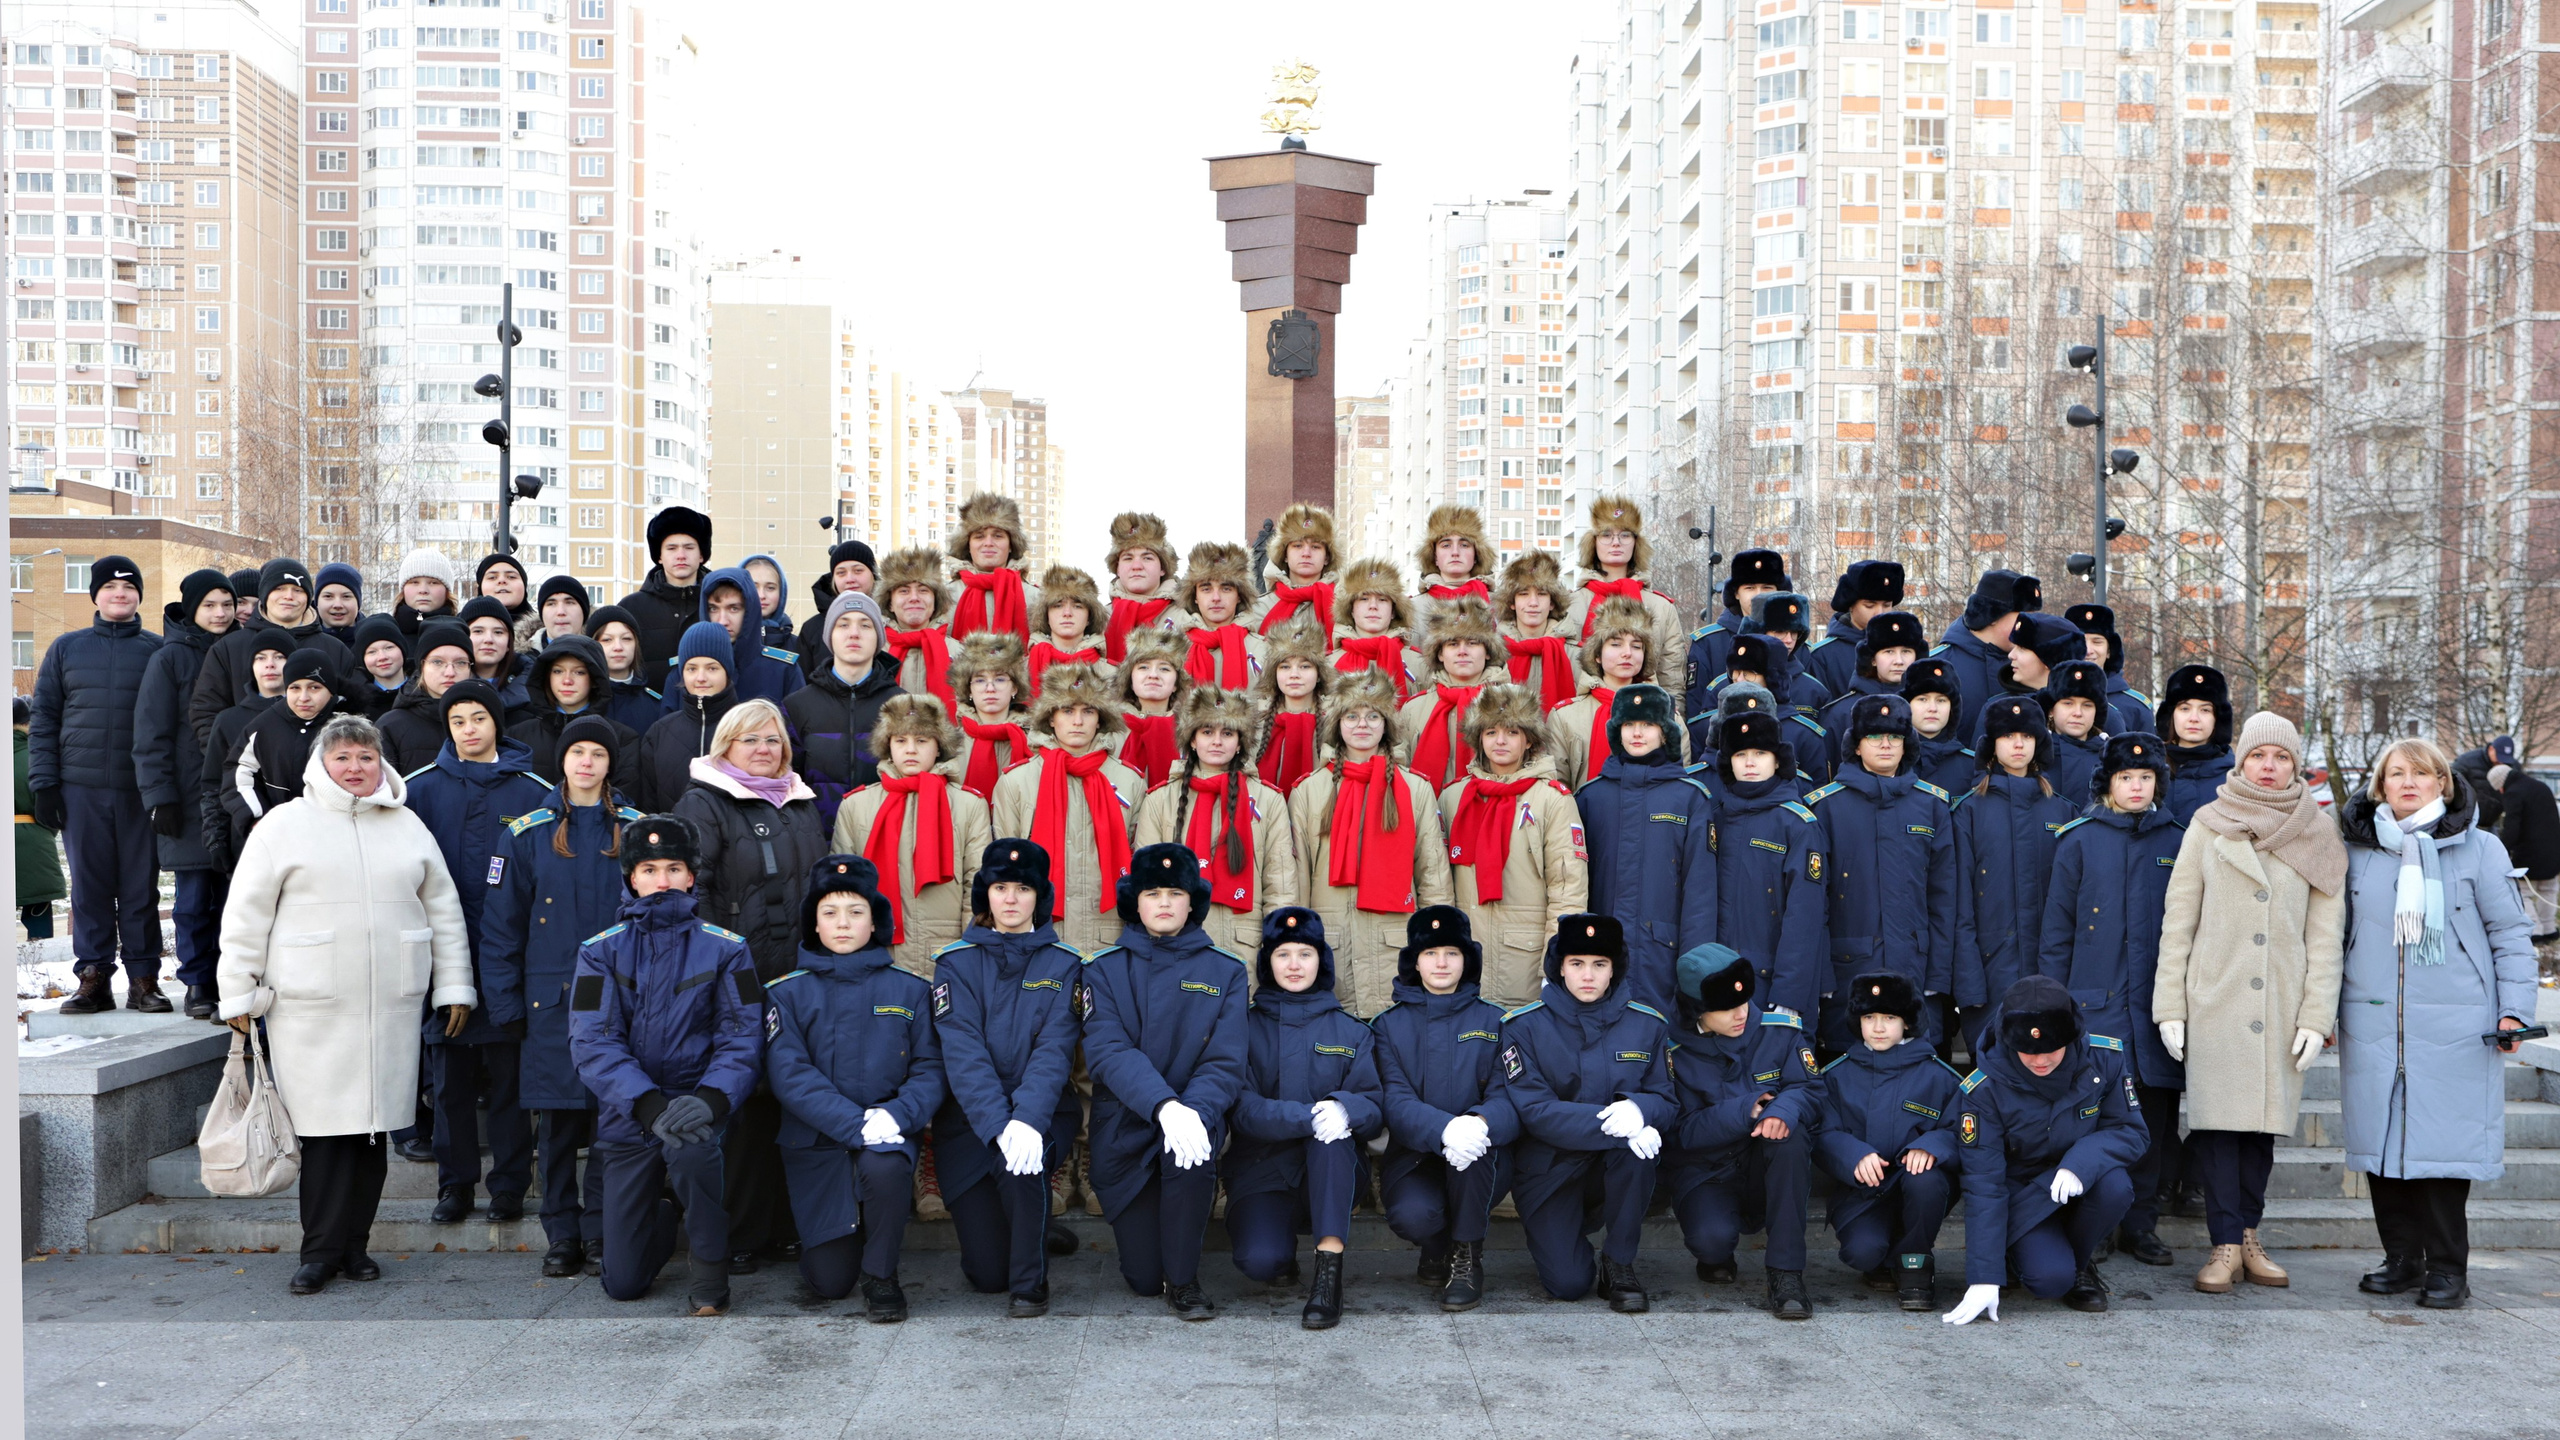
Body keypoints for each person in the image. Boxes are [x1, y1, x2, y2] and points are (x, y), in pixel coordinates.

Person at [218, 715, 475, 1294]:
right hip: (310, 1007)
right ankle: (319, 1251)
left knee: (372, 1132)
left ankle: (355, 1245)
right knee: (325, 1134)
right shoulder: (284, 826)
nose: (355, 768)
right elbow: (246, 914)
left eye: (365, 757)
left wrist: (454, 984)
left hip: (390, 1006)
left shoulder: (407, 826)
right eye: (343, 758)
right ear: (321, 765)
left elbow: (444, 912)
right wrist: (237, 986)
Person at [2335, 737, 2535, 1310]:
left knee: (2442, 1150)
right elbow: (2333, 937)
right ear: (2380, 786)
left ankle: (2448, 1268)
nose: (2408, 782)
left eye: (2422, 773)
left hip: (2457, 1023)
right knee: (2381, 1141)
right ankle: (2401, 1258)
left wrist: (2515, 1008)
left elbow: (2511, 935)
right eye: (2396, 773)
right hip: (2372, 1018)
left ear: (2443, 783)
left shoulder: (2481, 849)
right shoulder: (2357, 850)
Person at [2153, 710, 2346, 1295]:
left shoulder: (2318, 832)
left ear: (2294, 765)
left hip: (2281, 1005)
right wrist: (2171, 1007)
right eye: (2259, 756)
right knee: (2217, 1130)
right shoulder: (2207, 826)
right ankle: (2224, 1245)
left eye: (2281, 757)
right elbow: (2178, 923)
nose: (2269, 767)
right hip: (2215, 1000)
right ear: (2242, 762)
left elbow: (2325, 936)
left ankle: (2250, 1236)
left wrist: (2317, 1014)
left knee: (2261, 1131)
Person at [567, 813, 764, 1314]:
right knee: (624, 1284)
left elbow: (742, 1035)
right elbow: (593, 1042)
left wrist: (711, 1098)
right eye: (649, 869)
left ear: (692, 876)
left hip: (699, 1106)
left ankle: (710, 1281)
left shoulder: (727, 949)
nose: (663, 881)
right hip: (630, 1116)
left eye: (674, 868)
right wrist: (647, 1104)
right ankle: (657, 1215)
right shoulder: (599, 953)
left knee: (695, 1154)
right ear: (631, 878)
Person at [479, 716, 640, 1278]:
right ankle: (561, 1234)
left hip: (623, 1003)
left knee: (613, 1124)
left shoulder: (639, 830)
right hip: (552, 1004)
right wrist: (505, 1005)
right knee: (558, 1127)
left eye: (598, 752)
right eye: (578, 752)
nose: (587, 762)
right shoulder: (526, 833)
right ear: (563, 760)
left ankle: (600, 1231)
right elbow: (501, 928)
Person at [673, 697, 828, 1269]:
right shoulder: (704, 801)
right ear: (726, 746)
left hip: (798, 977)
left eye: (773, 741)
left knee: (791, 1102)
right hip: (735, 979)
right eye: (751, 741)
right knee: (737, 1107)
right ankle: (738, 1233)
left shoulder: (800, 802)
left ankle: (789, 1224)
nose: (764, 751)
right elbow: (696, 889)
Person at [765, 855, 945, 1322]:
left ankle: (882, 1274)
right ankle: (839, 1240)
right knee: (828, 1283)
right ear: (815, 925)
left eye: (856, 912)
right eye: (830, 913)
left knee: (884, 1170)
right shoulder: (786, 993)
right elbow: (789, 1074)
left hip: (887, 1132)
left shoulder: (910, 990)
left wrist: (896, 1115)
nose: (843, 923)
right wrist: (854, 1123)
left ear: (875, 922)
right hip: (816, 1142)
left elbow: (930, 1068)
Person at [402, 678, 551, 1224]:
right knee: (451, 1083)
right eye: (458, 721)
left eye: (478, 719)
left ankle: (509, 1184)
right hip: (444, 961)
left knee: (511, 1080)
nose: (469, 730)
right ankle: (455, 1183)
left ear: (496, 724)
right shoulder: (418, 789)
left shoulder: (534, 792)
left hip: (510, 962)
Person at [1081, 843, 1251, 1317]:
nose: (1163, 903)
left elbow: (1225, 1060)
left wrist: (1191, 1113)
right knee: (1140, 1279)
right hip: (1128, 1129)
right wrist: (1164, 1107)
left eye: (1174, 893)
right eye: (1152, 892)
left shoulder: (1227, 971)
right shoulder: (1103, 970)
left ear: (1191, 901)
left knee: (1192, 1149)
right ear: (1135, 901)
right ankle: (1160, 1260)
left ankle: (1186, 1282)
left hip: (1193, 1121)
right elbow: (1108, 1051)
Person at [2038, 733, 2187, 1267]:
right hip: (2092, 1008)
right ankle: (2095, 1221)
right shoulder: (2078, 840)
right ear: (2108, 783)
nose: (2136, 787)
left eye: (2146, 778)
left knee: (2151, 1121)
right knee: (2093, 1119)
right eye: (2126, 778)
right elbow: (2056, 933)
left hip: (2155, 1009)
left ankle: (2140, 1225)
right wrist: (2057, 1009)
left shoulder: (2179, 840)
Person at [929, 838, 1083, 1317]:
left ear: (1041, 897)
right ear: (985, 896)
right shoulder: (954, 963)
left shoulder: (1066, 964)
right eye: (1000, 887)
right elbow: (963, 1054)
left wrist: (1027, 1121)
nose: (1011, 898)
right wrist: (1000, 1124)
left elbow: (1055, 1052)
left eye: (1023, 888)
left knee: (1024, 1165)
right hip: (971, 1123)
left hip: (1042, 1112)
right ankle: (1029, 1226)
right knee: (985, 1274)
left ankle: (1030, 1286)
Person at [1941, 974, 2149, 1323]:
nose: (2040, 1061)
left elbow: (2130, 1131)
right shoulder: (1983, 1088)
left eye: (2051, 1049)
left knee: (2115, 1185)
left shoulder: (2105, 1059)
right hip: (2024, 1197)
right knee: (2049, 1280)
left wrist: (2079, 1163)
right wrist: (1984, 1276)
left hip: (2081, 1186)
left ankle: (2081, 1265)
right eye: (2028, 1051)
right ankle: (2019, 1255)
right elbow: (1984, 1182)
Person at [1502, 913, 1674, 1311]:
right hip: (1550, 1170)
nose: (1588, 975)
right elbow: (1536, 1110)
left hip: (1610, 1168)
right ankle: (1568, 1242)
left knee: (1637, 1151)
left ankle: (1619, 1263)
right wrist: (1619, 1124)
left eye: (1600, 964)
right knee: (1567, 1283)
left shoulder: (1647, 1026)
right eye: (1576, 963)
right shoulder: (1524, 1027)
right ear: (1559, 967)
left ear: (1615, 969)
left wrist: (1641, 1108)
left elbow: (1667, 1099)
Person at [1223, 907, 1383, 1328]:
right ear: (1267, 963)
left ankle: (1329, 1276)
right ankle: (1281, 1254)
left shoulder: (1351, 1032)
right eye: (1283, 955)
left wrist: (1346, 1108)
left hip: (1330, 1176)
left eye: (1305, 954)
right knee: (1261, 1261)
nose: (1294, 965)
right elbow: (1241, 1106)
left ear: (1322, 962)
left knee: (1332, 1139)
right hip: (1262, 1169)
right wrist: (1309, 1116)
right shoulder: (1242, 1028)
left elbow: (1375, 1102)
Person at [29, 554, 164, 1014]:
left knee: (140, 888)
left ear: (139, 595)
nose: (120, 594)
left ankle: (145, 979)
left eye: (129, 587)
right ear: (96, 595)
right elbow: (44, 719)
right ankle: (93, 978)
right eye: (110, 587)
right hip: (79, 789)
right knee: (88, 887)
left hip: (139, 789)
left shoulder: (156, 651)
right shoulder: (67, 649)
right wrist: (44, 784)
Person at [1662, 944, 1824, 1320]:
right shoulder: (1674, 1051)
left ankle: (1786, 1274)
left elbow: (1812, 1090)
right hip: (1708, 1170)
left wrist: (1779, 1110)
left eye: (1745, 1001)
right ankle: (1716, 1255)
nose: (1740, 1013)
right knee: (1711, 1243)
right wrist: (1747, 1110)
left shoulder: (1778, 1034)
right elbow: (1682, 1132)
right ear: (1697, 1010)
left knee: (1790, 1133)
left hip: (1767, 1166)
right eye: (1725, 1007)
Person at [1371, 906, 1517, 1310]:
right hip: (1415, 1157)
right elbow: (1394, 1100)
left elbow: (1510, 1093)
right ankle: (1435, 1245)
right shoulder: (1387, 1026)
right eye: (1430, 953)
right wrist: (1444, 1129)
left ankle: (1467, 1256)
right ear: (1414, 962)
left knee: (1470, 1154)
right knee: (1413, 1215)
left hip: (1481, 1156)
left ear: (1467, 960)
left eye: (1452, 953)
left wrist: (1478, 1123)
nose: (1441, 963)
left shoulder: (1496, 1021)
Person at [1288, 669, 1453, 1017]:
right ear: (1337, 725)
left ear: (1386, 725)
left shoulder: (1415, 789)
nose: (1362, 725)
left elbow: (1433, 876)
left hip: (1394, 948)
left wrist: (1438, 948)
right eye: (1351, 716)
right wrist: (1296, 947)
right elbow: (1297, 878)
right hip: (1333, 947)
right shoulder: (1309, 790)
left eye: (1373, 716)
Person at [1805, 694, 1957, 1053]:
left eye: (1895, 737)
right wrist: (1822, 977)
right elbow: (1814, 905)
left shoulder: (1933, 805)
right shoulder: (1825, 807)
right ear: (1856, 746)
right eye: (1874, 737)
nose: (1886, 745)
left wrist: (1938, 975)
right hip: (1849, 973)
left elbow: (1945, 897)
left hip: (1916, 970)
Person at [1814, 971, 1961, 1311]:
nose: (1878, 1027)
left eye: (1889, 1018)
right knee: (1862, 1253)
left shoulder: (1938, 1075)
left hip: (1918, 1185)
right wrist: (1853, 1155)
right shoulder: (1837, 1074)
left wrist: (1932, 1146)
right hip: (1864, 1192)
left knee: (1925, 1180)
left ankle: (1916, 1263)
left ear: (1907, 1023)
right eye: (1869, 1017)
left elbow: (1960, 1131)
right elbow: (1824, 1132)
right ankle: (1889, 1251)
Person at [1435, 683, 1587, 1008]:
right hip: (1465, 959)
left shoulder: (1553, 800)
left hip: (1526, 961)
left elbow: (1568, 889)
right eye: (1490, 732)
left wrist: (1557, 961)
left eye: (1512, 732)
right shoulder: (1453, 797)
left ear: (1529, 739)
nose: (1500, 741)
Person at [988, 661, 1148, 958]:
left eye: (1088, 711)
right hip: (1039, 935)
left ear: (1100, 719)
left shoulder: (1130, 780)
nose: (1078, 721)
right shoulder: (1016, 781)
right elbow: (1006, 869)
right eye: (1067, 711)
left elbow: (1139, 865)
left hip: (1109, 934)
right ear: (1051, 718)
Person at [132, 568, 236, 1018]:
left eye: (227, 605)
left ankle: (230, 980)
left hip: (231, 794)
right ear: (192, 608)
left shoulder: (243, 650)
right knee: (193, 901)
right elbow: (150, 735)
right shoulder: (169, 658)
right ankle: (197, 983)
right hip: (187, 799)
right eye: (210, 605)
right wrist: (160, 798)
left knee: (234, 899)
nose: (219, 613)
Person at [1574, 685, 1714, 1015]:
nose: (1637, 733)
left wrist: (1694, 965)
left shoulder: (1690, 797)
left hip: (1662, 956)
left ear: (1665, 732)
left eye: (1648, 725)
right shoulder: (1591, 797)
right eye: (1628, 725)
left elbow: (1701, 891)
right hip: (1600, 956)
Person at [831, 693, 991, 978]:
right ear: (887, 746)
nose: (911, 750)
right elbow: (843, 888)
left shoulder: (969, 805)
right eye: (900, 740)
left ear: (939, 746)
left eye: (922, 740)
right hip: (879, 953)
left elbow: (977, 883)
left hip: (947, 949)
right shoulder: (855, 806)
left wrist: (969, 949)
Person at [1132, 686, 1298, 959]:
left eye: (1228, 733)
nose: (1217, 741)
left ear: (1240, 742)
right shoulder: (1159, 800)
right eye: (1207, 732)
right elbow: (1145, 884)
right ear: (1193, 740)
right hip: (1175, 946)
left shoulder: (1268, 800)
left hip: (1244, 944)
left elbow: (1280, 883)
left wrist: (1280, 945)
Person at [1952, 697, 2075, 1049]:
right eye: (2007, 736)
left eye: (2027, 736)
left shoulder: (2064, 812)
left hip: (2050, 972)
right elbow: (1958, 903)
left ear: (2040, 743)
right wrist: (1969, 982)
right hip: (1991, 974)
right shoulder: (1968, 812)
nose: (2018, 744)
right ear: (1992, 744)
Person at [1703, 707, 1827, 1019]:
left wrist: (1790, 993)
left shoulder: (1797, 823)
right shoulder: (1713, 816)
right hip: (1716, 978)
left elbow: (1805, 917)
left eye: (1760, 752)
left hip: (1771, 983)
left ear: (1777, 760)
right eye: (1740, 753)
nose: (1749, 762)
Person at [188, 558, 346, 744]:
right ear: (264, 594)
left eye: (297, 590)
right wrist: (232, 761)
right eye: (279, 588)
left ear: (308, 597)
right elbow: (205, 711)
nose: (288, 596)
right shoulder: (229, 648)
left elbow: (352, 711)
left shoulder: (336, 649)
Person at [783, 591, 902, 827]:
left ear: (878, 638)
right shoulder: (796, 706)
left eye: (865, 625)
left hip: (883, 839)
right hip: (817, 841)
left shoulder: (901, 706)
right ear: (831, 636)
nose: (854, 633)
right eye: (843, 624)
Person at [1564, 494, 1687, 705]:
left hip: (1646, 715)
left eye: (1625, 535)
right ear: (1593, 542)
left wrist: (1672, 724)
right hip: (1582, 719)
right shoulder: (1569, 605)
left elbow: (1672, 678)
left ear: (1636, 543)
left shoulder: (1661, 607)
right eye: (1606, 534)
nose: (1616, 543)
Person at [195, 630, 291, 891]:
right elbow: (213, 784)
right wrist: (216, 838)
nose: (269, 664)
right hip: (245, 841)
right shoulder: (228, 720)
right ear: (251, 667)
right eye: (260, 658)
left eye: (279, 657)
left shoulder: (311, 717)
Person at [1549, 598, 1679, 788]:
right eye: (1616, 644)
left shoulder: (1668, 715)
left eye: (1636, 646)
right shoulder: (1565, 716)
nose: (1627, 653)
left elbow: (1679, 784)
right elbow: (1558, 789)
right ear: (1597, 655)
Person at [220, 648, 341, 842]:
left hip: (337, 836)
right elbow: (239, 774)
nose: (304, 697)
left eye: (314, 687)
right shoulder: (263, 726)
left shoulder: (349, 725)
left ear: (330, 691)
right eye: (295, 688)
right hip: (278, 837)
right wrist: (257, 819)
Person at [1396, 595, 1507, 793]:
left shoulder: (1512, 704)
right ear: (1440, 653)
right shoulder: (1413, 709)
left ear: (1488, 651)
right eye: (1453, 644)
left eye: (1472, 643)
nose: (1462, 651)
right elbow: (1400, 773)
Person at [510, 636, 640, 792]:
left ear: (594, 679)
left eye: (579, 672)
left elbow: (624, 801)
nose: (567, 680)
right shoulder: (518, 736)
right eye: (558, 671)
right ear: (546, 676)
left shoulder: (623, 739)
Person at [636, 621, 739, 813]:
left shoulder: (749, 729)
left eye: (712, 668)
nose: (700, 677)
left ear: (727, 671)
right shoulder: (659, 734)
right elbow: (649, 807)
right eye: (691, 668)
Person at [1683, 547, 1789, 726]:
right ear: (1736, 593)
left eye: (1767, 587)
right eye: (1750, 588)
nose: (1758, 595)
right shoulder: (1708, 643)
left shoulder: (1793, 643)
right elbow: (1696, 713)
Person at [1928, 568, 2038, 739]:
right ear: (1992, 616)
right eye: (2022, 617)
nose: (2030, 626)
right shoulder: (1935, 666)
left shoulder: (2034, 667)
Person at [1712, 633, 1832, 788]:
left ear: (1771, 678)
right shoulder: (1717, 725)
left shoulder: (1804, 735)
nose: (1739, 680)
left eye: (1749, 674)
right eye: (1735, 672)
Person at [676, 566, 801, 712]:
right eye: (713, 609)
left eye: (733, 609)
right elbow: (668, 730)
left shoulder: (782, 670)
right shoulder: (683, 671)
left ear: (750, 611)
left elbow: (797, 731)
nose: (722, 621)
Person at [1818, 610, 1926, 766]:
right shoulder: (1841, 713)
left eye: (1906, 651)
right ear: (1873, 659)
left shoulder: (1930, 707)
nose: (1899, 660)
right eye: (1888, 652)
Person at [618, 505, 712, 676]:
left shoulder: (717, 605)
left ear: (701, 555)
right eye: (671, 548)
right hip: (647, 702)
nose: (681, 555)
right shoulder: (631, 608)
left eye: (689, 547)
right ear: (659, 556)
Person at [376, 622, 476, 777]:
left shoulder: (486, 719)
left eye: (461, 663)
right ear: (422, 666)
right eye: (437, 662)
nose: (450, 672)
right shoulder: (390, 726)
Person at [1249, 613, 1331, 794]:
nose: (1294, 674)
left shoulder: (1335, 721)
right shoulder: (1254, 721)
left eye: (1305, 666)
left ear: (1319, 675)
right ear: (1274, 673)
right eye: (1285, 666)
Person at [948, 632, 1032, 803]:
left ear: (1015, 687)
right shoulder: (949, 745)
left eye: (1000, 679)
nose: (990, 688)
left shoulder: (1034, 741)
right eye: (980, 680)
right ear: (968, 690)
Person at [946, 495, 1043, 643]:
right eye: (979, 536)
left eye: (998, 536)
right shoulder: (945, 596)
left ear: (1011, 545)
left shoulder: (1037, 597)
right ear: (968, 545)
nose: (988, 543)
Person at [1493, 549, 1581, 710]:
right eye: (1523, 594)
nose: (1533, 602)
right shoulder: (1493, 653)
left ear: (1552, 602)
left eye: (1541, 594)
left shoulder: (1577, 655)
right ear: (1512, 603)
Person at [879, 546, 963, 715]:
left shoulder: (961, 653)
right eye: (904, 591)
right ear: (890, 603)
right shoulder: (875, 653)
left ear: (935, 601)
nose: (914, 598)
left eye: (923, 590)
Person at [1802, 559, 1904, 699]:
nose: (1880, 613)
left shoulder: (1906, 651)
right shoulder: (1823, 655)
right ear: (1850, 605)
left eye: (1886, 605)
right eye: (1870, 606)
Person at [1329, 557, 1423, 707]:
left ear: (1393, 611)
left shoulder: (1419, 663)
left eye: (1382, 599)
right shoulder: (1328, 663)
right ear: (1351, 609)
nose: (1373, 606)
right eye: (1364, 599)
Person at [1100, 511, 1193, 663]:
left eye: (1147, 558)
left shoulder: (1187, 618)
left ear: (1163, 568)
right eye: (1128, 558)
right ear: (1117, 568)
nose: (1137, 566)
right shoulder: (1097, 618)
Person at [1176, 541, 1264, 690]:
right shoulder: (1174, 647)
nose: (1216, 597)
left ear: (1240, 596)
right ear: (1195, 597)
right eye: (1206, 589)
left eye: (1226, 589)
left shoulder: (1263, 649)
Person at [1244, 502, 1338, 641]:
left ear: (1327, 557)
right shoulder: (1258, 608)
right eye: (1298, 546)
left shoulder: (1342, 605)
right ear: (1285, 555)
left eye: (1316, 547)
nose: (1306, 553)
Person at [2155, 663, 2235, 824]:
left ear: (2217, 719)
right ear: (2171, 715)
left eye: (2205, 710)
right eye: (2185, 708)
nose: (2194, 718)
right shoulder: (2148, 770)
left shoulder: (2234, 780)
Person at [1113, 627, 1191, 789]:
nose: (1153, 675)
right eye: (1143, 667)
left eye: (1164, 669)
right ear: (1130, 680)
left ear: (1176, 684)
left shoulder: (1190, 731)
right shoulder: (1109, 729)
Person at [2495, 758, 2560, 941]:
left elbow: (2512, 828)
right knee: (2548, 890)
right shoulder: (2541, 786)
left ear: (2501, 784)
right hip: (2553, 851)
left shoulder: (2513, 793)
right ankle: (2549, 928)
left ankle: (2535, 930)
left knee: (2523, 892)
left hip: (2528, 854)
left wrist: (2502, 849)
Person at [2062, 603, 2150, 737]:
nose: (2088, 651)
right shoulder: (2049, 698)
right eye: (2081, 642)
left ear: (2109, 651)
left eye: (2097, 642)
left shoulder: (2135, 707)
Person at [795, 539, 877, 678]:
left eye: (858, 571)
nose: (850, 579)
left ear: (873, 574)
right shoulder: (812, 629)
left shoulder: (892, 620)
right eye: (841, 573)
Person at [1025, 564, 1105, 696]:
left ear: (1090, 617)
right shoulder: (1021, 668)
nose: (1067, 613)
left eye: (1077, 606)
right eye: (1058, 605)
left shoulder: (1110, 672)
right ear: (1046, 615)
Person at [1901, 657, 1977, 796]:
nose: (1932, 708)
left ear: (1953, 708)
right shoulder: (1890, 759)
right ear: (1906, 704)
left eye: (1941, 700)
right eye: (1922, 699)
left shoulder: (1972, 766)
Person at [2039, 660, 2111, 805]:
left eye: (2087, 705)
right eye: (2068, 703)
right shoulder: (2035, 754)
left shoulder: (2111, 757)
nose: (2077, 713)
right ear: (2052, 710)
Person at [586, 605, 665, 733]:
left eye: (626, 639)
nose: (618, 647)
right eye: (607, 640)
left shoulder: (655, 706)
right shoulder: (582, 699)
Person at [458, 596, 532, 718]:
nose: (489, 639)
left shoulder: (535, 687)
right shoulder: (445, 682)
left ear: (509, 642)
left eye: (498, 632)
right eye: (478, 631)